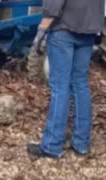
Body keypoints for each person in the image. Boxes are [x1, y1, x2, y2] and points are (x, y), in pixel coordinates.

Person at [27, 0, 105, 158]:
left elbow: (54, 4)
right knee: (80, 84)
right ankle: (81, 143)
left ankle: (52, 146)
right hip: (88, 32)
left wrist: (42, 29)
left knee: (60, 88)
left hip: (63, 30)